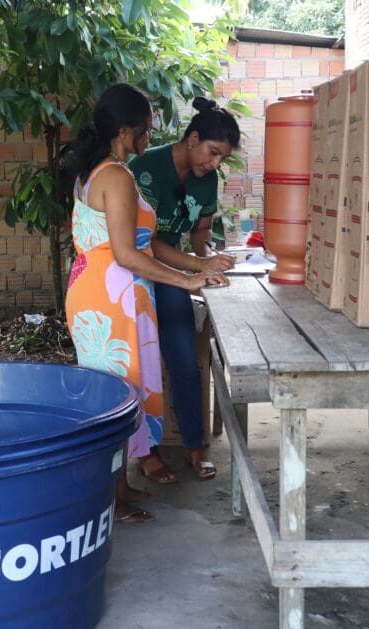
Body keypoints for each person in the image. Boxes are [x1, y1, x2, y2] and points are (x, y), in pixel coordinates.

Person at [67, 84, 229, 524]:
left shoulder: (96, 170)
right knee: (118, 394)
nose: (148, 140)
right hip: (111, 292)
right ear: (126, 130)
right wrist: (189, 278)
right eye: (145, 131)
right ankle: (112, 499)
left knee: (118, 391)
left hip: (107, 290)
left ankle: (118, 488)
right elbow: (128, 252)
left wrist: (192, 269)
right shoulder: (115, 176)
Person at [129, 97, 240, 482]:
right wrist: (196, 266)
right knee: (136, 366)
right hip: (134, 273)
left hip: (173, 273)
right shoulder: (144, 168)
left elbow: (200, 233)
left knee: (183, 358)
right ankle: (146, 453)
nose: (214, 164)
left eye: (221, 159)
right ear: (192, 138)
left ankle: (195, 445)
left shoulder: (207, 179)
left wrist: (211, 262)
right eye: (212, 152)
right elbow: (143, 240)